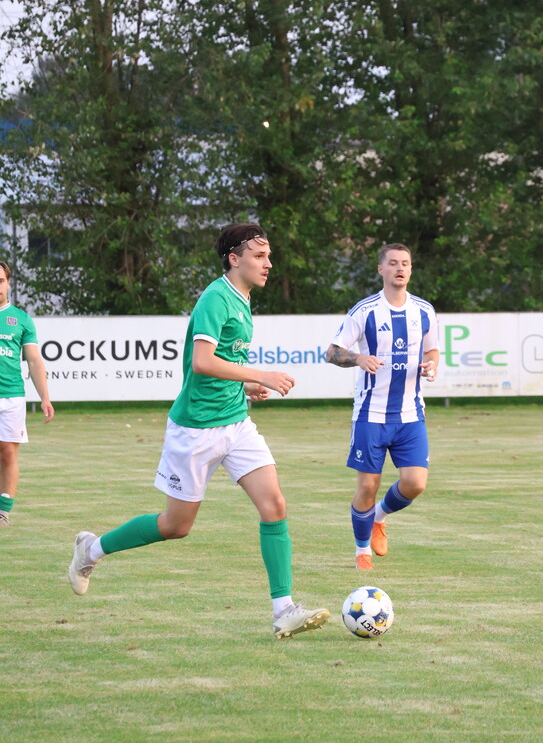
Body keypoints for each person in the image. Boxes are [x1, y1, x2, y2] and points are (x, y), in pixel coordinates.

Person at [68, 223, 330, 639]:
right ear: (234, 258)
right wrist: (260, 374)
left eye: (268, 256)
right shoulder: (215, 298)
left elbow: (221, 363)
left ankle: (284, 610)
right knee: (176, 526)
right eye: (259, 256)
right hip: (195, 430)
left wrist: (244, 387)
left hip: (236, 423)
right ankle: (92, 549)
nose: (268, 263)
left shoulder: (242, 299)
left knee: (274, 505)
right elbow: (202, 362)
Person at [326, 243, 439, 569]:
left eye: (405, 263)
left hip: (410, 414)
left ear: (411, 269)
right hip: (371, 414)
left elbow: (432, 351)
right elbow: (332, 352)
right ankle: (362, 550)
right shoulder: (365, 311)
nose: (399, 268)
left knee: (416, 483)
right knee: (368, 486)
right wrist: (358, 358)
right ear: (381, 270)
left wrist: (431, 366)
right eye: (393, 263)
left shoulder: (424, 311)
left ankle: (379, 517)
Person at [0, 261, 54, 525]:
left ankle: (3, 511)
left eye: (0, 281)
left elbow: (33, 361)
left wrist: (45, 398)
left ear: (8, 283)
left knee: (8, 452)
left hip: (12, 395)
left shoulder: (21, 319)